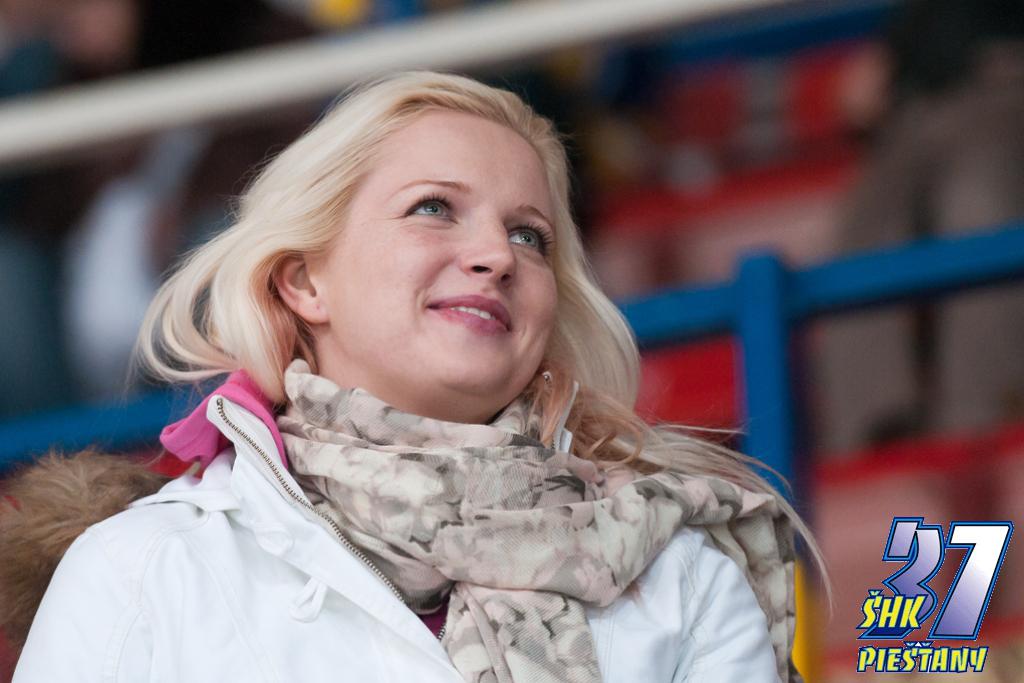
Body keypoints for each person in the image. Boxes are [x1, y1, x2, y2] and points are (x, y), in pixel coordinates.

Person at [6, 71, 822, 682]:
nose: (496, 254)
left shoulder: (679, 571)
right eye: (434, 207)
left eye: (530, 236)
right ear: (303, 281)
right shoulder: (142, 567)